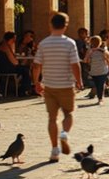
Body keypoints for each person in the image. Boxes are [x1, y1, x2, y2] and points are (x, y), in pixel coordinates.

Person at [31, 12, 83, 163]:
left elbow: (36, 65)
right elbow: (75, 64)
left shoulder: (43, 43)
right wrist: (79, 81)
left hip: (49, 85)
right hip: (66, 85)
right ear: (66, 25)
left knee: (52, 118)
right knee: (68, 114)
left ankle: (54, 150)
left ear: (50, 25)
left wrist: (37, 82)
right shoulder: (69, 43)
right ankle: (65, 133)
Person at [0, 31, 33, 96]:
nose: (14, 41)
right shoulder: (5, 46)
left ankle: (24, 88)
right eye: (14, 39)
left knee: (26, 68)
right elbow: (14, 62)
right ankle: (23, 90)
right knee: (25, 70)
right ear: (10, 39)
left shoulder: (6, 45)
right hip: (4, 68)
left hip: (6, 67)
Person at [84, 35, 109, 105]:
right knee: (99, 85)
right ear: (100, 42)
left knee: (99, 85)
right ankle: (100, 99)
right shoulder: (100, 50)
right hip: (101, 70)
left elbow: (85, 60)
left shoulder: (91, 50)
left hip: (95, 71)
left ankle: (100, 98)